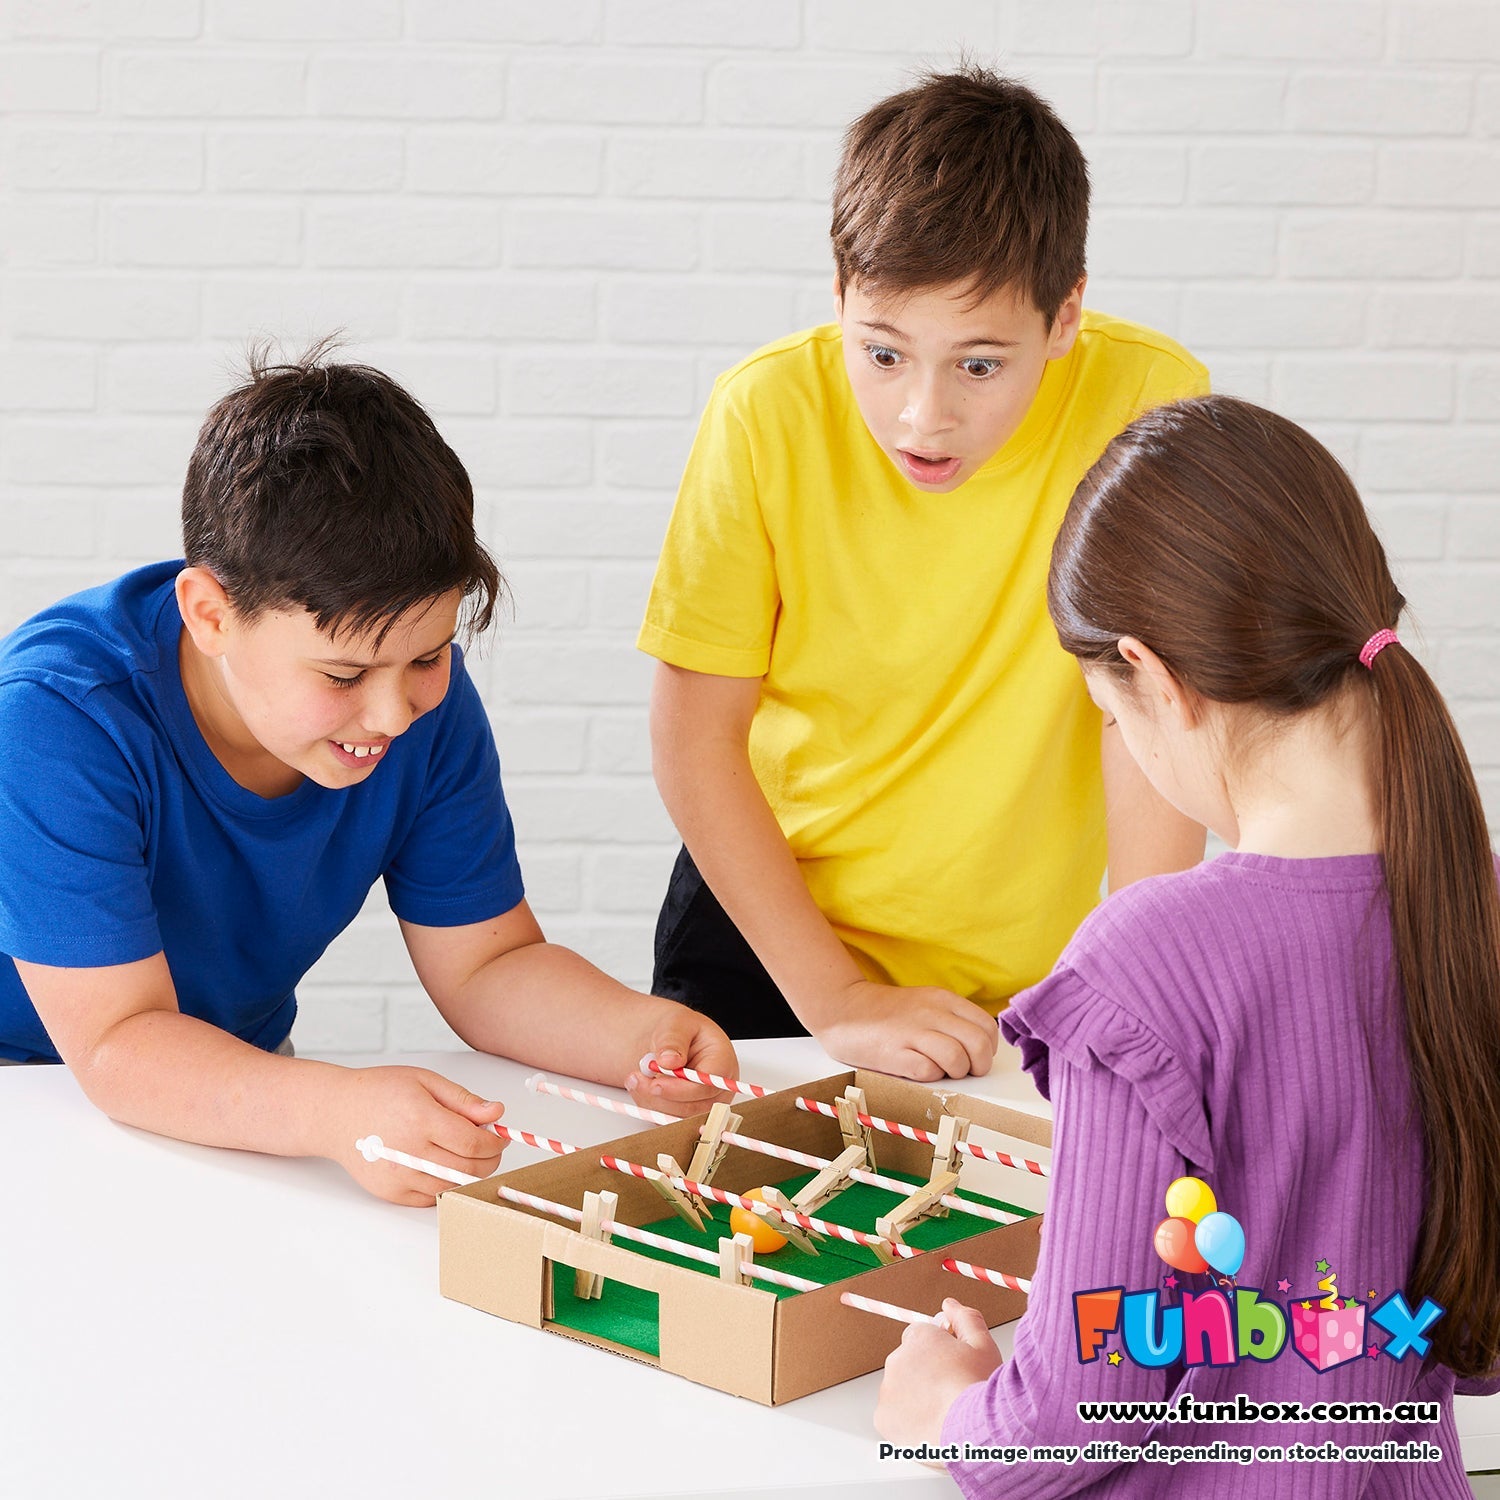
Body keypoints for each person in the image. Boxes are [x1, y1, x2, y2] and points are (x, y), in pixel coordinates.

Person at [872, 395, 1500, 1496]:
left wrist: (941, 1407)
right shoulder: (1471, 896)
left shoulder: (1147, 960)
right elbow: (1478, 1342)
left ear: (1154, 678)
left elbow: (1063, 1428)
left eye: (1112, 717)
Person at [0, 349, 736, 1205]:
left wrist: (641, 1034)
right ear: (210, 616)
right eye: (343, 677)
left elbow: (488, 965)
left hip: (217, 1085)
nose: (392, 714)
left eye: (429, 655)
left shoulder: (423, 707)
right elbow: (118, 1043)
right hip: (38, 1086)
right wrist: (332, 1110)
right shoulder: (57, 718)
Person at [639, 65, 1210, 1082]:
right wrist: (842, 1000)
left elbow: (1145, 711)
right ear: (841, 296)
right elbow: (695, 738)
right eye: (884, 354)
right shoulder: (762, 415)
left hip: (1016, 970)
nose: (923, 417)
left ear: (1065, 317)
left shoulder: (1149, 400)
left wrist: (1136, 975)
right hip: (772, 951)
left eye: (979, 365)